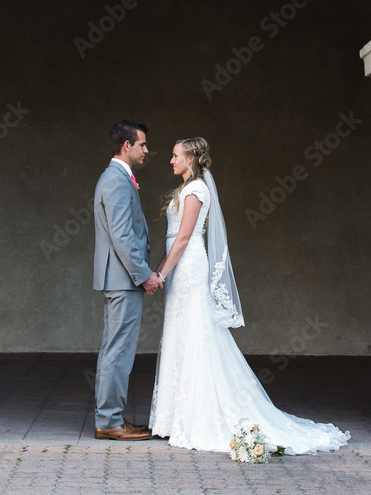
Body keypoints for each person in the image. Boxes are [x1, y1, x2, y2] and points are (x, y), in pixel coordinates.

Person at [148, 137, 350, 454]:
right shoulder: (184, 189)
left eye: (175, 156)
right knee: (178, 334)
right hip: (178, 268)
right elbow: (173, 239)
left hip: (189, 267)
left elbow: (185, 236)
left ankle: (195, 417)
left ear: (190, 158)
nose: (170, 161)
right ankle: (172, 417)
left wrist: (161, 273)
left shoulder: (197, 190)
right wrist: (159, 272)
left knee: (195, 334)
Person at [93, 120, 164, 441]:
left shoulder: (117, 178)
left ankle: (112, 418)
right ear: (126, 146)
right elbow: (122, 235)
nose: (146, 150)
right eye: (143, 145)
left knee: (115, 348)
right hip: (124, 279)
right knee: (118, 351)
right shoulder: (116, 181)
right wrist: (144, 274)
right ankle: (109, 422)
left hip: (120, 278)